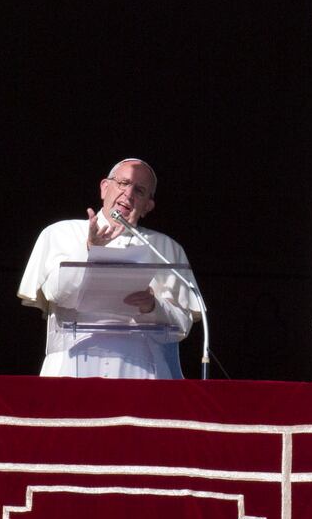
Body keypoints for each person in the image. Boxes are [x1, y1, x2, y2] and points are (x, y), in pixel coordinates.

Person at [18, 159, 202, 379]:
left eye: (140, 190)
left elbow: (182, 326)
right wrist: (89, 249)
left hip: (141, 371)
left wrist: (153, 306)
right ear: (104, 187)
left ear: (148, 206)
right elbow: (57, 294)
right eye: (123, 183)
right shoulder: (60, 233)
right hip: (73, 364)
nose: (128, 194)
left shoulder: (165, 248)